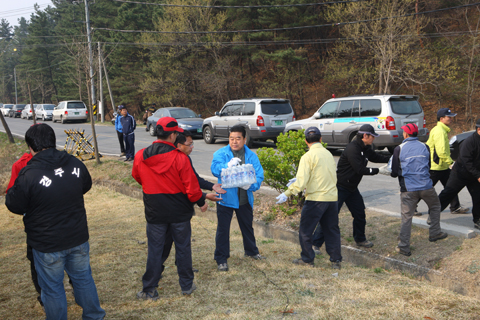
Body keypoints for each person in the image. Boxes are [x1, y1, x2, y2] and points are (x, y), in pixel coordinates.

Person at [5, 123, 105, 320]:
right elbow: (85, 185)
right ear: (53, 141)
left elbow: (14, 204)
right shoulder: (74, 163)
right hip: (77, 236)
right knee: (83, 279)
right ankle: (94, 316)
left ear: (30, 147)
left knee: (52, 288)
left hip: (47, 242)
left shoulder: (29, 173)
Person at [132, 117, 208, 300]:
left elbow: (137, 176)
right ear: (173, 135)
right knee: (183, 248)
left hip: (154, 210)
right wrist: (201, 201)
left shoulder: (141, 155)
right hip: (179, 211)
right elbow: (191, 188)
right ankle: (187, 285)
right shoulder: (180, 158)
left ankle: (149, 288)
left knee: (155, 250)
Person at [312, 124, 390, 251]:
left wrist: (392, 159)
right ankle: (315, 244)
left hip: (352, 188)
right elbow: (359, 169)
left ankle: (360, 239)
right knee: (330, 216)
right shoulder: (353, 149)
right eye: (372, 136)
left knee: (360, 214)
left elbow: (376, 157)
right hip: (339, 187)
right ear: (365, 136)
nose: (373, 139)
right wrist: (378, 171)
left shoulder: (365, 147)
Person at [276, 127, 342, 269]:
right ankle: (336, 260)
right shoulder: (329, 154)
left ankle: (307, 258)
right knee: (331, 230)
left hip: (316, 199)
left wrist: (286, 193)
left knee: (306, 230)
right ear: (320, 139)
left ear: (306, 141)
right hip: (331, 198)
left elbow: (300, 184)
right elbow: (325, 174)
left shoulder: (307, 157)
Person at [211, 125, 265, 272]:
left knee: (247, 227)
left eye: (238, 139)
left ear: (244, 139)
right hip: (226, 198)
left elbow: (259, 175)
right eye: (231, 138)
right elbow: (214, 169)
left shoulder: (251, 156)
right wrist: (226, 166)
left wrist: (251, 185)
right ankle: (221, 258)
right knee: (223, 229)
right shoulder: (221, 153)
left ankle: (252, 251)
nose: (234, 142)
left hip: (244, 198)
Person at [390, 123, 448, 256]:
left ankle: (403, 247)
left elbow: (394, 172)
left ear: (405, 134)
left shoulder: (399, 148)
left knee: (406, 217)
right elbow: (428, 165)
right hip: (427, 186)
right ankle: (435, 233)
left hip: (408, 189)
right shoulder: (425, 146)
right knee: (435, 206)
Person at [420, 108, 468, 215]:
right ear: (441, 118)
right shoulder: (439, 131)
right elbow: (441, 151)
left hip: (442, 166)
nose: (451, 119)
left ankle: (455, 207)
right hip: (435, 166)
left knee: (452, 186)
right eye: (449, 117)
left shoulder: (442, 130)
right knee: (424, 188)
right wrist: (451, 163)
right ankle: (411, 206)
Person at [438, 119, 480, 230]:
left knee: (478, 197)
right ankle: (433, 214)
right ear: (479, 129)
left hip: (474, 175)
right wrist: (478, 175)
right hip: (460, 173)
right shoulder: (469, 142)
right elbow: (467, 162)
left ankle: (477, 220)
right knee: (448, 193)